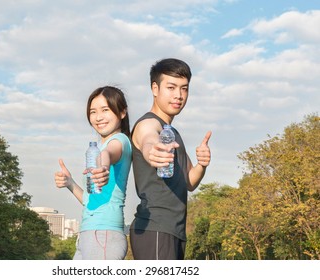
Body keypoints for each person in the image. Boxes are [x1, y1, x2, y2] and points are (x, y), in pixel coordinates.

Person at [129, 58, 212, 260]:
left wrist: (202, 164)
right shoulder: (148, 123)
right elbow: (148, 139)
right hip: (155, 227)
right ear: (155, 88)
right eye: (171, 87)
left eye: (184, 89)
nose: (179, 95)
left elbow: (190, 182)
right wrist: (152, 151)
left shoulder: (172, 133)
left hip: (175, 230)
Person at [54, 86, 132, 260]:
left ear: (122, 113)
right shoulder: (98, 147)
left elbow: (108, 154)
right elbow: (91, 201)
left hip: (104, 235)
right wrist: (70, 183)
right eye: (93, 111)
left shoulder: (120, 141)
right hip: (89, 234)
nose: (98, 117)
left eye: (105, 110)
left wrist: (104, 166)